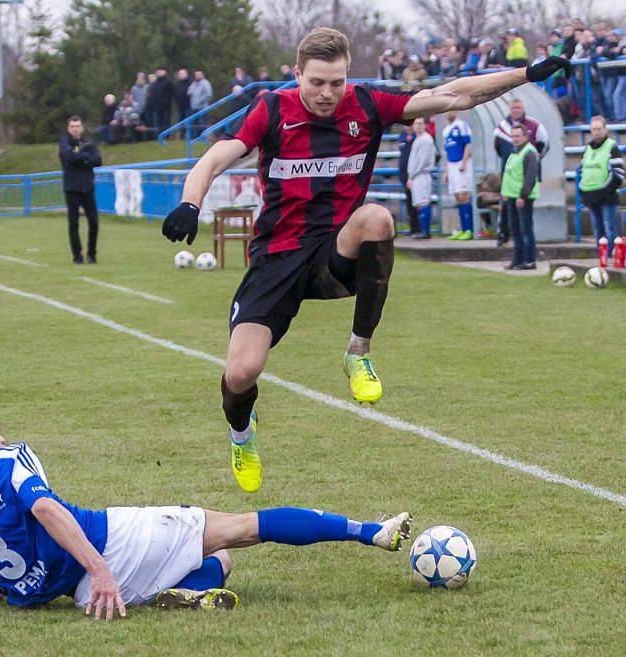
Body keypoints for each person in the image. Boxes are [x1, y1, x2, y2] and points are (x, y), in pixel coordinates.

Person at [160, 26, 570, 493]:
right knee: (240, 372)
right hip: (277, 259)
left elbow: (453, 95)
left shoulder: (369, 103)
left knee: (376, 217)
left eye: (336, 82)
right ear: (297, 74)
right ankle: (241, 435)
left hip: (335, 250)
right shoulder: (272, 109)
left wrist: (527, 73)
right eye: (316, 82)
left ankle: (359, 352)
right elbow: (213, 159)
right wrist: (191, 203)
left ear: (347, 76)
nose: (327, 93)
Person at [0, 395, 413, 617]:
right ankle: (372, 532)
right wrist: (100, 570)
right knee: (243, 528)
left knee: (219, 560)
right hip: (108, 547)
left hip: (75, 598)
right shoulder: (5, 460)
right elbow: (47, 511)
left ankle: (189, 595)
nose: (1, 433)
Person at [493, 98, 548, 244]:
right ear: (509, 109)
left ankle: (527, 256)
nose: (515, 110)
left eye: (518, 107)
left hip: (526, 181)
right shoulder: (502, 127)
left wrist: (532, 162)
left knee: (525, 221)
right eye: (513, 108)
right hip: (510, 179)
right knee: (507, 214)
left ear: (523, 108)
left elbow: (544, 145)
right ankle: (503, 236)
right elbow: (498, 148)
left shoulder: (534, 125)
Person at [578, 115, 625, 256]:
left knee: (609, 229)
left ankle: (612, 259)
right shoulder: (588, 148)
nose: (596, 132)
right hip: (591, 195)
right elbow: (583, 171)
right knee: (597, 230)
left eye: (599, 129)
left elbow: (619, 174)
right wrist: (583, 191)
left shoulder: (612, 147)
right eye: (594, 129)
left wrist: (605, 191)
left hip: (607, 196)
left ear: (605, 129)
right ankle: (602, 258)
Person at [58, 116, 102, 265]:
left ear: (82, 127)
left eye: (77, 126)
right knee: (74, 223)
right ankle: (77, 255)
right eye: (72, 126)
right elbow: (69, 158)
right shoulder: (64, 143)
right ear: (68, 128)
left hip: (87, 187)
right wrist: (84, 157)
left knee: (94, 222)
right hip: (72, 188)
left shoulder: (89, 142)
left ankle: (92, 254)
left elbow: (98, 160)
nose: (75, 128)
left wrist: (82, 158)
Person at [500, 124, 539, 270]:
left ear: (525, 136)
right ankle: (517, 259)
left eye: (518, 136)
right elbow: (509, 174)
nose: (515, 139)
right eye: (513, 136)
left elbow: (530, 177)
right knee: (514, 229)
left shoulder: (529, 152)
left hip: (523, 198)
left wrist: (523, 196)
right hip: (511, 196)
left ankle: (529, 260)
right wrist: (504, 192)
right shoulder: (515, 151)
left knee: (525, 229)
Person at [442, 110, 474, 240]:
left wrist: (464, 162)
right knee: (457, 197)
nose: (449, 113)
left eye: (451, 110)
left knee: (464, 195)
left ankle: (470, 229)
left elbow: (468, 145)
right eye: (447, 111)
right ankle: (463, 229)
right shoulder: (445, 130)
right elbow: (446, 152)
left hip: (462, 163)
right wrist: (446, 171)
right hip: (451, 165)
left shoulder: (461, 125)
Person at [406, 117, 436, 239]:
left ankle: (426, 231)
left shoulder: (426, 139)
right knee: (419, 203)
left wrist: (411, 175)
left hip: (421, 174)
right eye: (416, 123)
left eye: (420, 123)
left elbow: (421, 161)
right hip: (416, 175)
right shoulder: (417, 139)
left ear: (425, 125)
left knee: (423, 202)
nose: (417, 126)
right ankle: (424, 230)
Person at [397, 123, 419, 234]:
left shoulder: (418, 137)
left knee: (417, 202)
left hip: (415, 175)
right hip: (404, 176)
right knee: (409, 202)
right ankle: (413, 228)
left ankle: (419, 228)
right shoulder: (402, 136)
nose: (409, 127)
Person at [151, 68, 174, 134]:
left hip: (166, 107)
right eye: (157, 72)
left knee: (166, 122)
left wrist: (166, 101)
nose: (158, 73)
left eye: (160, 71)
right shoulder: (155, 83)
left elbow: (172, 92)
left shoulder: (168, 82)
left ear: (164, 72)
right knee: (157, 122)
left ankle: (167, 135)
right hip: (157, 106)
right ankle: (158, 135)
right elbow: (153, 94)